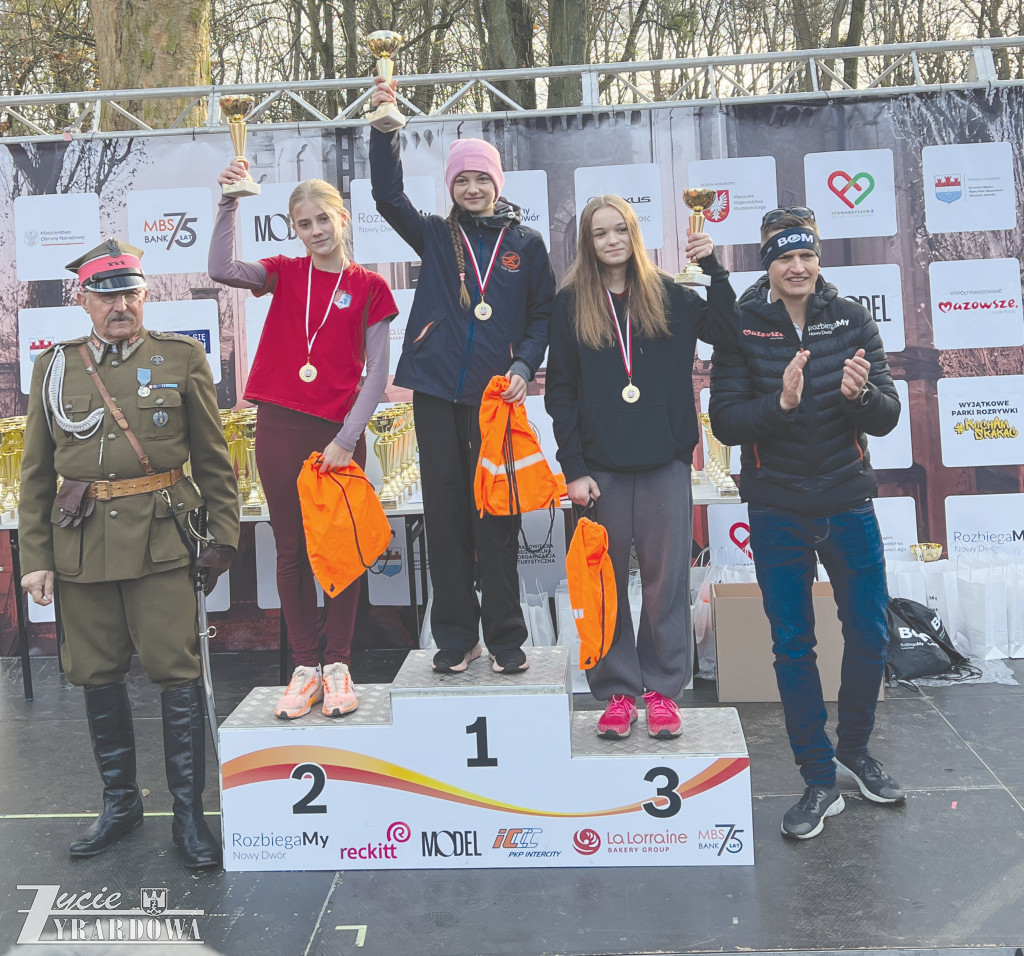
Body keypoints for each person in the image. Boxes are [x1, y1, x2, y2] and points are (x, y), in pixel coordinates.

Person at [19, 239, 240, 868]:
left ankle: (189, 815)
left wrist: (223, 534)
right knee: (95, 673)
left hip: (163, 542)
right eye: (107, 294)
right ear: (83, 300)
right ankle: (120, 804)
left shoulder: (181, 357)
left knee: (177, 673)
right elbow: (35, 472)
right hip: (81, 545)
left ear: (145, 296)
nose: (120, 305)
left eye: (130, 293)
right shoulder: (55, 368)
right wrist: (35, 555)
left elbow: (212, 457)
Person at [708, 207, 903, 840]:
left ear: (818, 261)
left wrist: (861, 396)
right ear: (768, 265)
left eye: (807, 256)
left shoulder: (852, 319)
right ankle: (817, 778)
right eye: (786, 257)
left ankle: (856, 749)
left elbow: (888, 415)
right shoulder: (741, 325)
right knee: (793, 645)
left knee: (870, 633)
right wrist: (782, 403)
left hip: (848, 501)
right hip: (778, 507)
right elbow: (727, 423)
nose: (798, 267)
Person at [368, 77, 556, 675]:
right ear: (451, 186)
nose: (472, 187)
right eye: (462, 179)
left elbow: (542, 314)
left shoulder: (525, 243)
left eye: (482, 179)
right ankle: (456, 636)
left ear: (496, 185)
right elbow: (386, 198)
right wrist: (384, 132)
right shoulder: (434, 233)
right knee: (445, 512)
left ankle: (505, 637)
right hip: (435, 392)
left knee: (496, 514)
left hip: (495, 398)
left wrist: (525, 364)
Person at [209, 168, 398, 719]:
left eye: (323, 219)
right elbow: (220, 268)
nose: (316, 230)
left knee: (338, 551)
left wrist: (346, 438)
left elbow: (377, 376)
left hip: (337, 436)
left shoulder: (370, 287)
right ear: (294, 230)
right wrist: (228, 204)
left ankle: (338, 664)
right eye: (304, 223)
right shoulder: (284, 273)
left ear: (342, 218)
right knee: (289, 549)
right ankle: (304, 667)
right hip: (279, 427)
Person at [545, 195, 735, 739]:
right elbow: (560, 392)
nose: (611, 241)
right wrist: (574, 467)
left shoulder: (670, 296)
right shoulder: (569, 305)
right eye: (599, 233)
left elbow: (728, 330)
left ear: (634, 236)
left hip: (662, 465)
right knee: (601, 585)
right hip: (598, 472)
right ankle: (617, 693)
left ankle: (661, 690)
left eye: (619, 230)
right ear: (588, 242)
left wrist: (715, 268)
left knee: (665, 583)